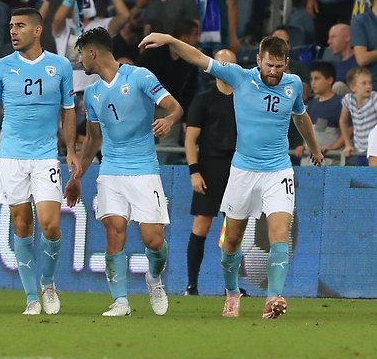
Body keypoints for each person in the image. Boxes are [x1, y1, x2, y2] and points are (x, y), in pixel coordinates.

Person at [138, 32, 323, 319]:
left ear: (286, 63)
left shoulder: (294, 84)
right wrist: (170, 40)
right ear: (258, 60)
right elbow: (199, 57)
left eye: (279, 66)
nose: (273, 71)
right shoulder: (239, 76)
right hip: (243, 171)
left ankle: (273, 298)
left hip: (278, 170)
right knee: (232, 239)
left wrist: (314, 147)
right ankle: (232, 293)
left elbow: (301, 117)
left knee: (279, 234)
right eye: (269, 65)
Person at [0, 7, 77, 315]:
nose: (13, 31)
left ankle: (48, 283)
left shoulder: (60, 66)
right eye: (10, 26)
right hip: (11, 156)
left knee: (50, 225)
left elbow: (69, 110)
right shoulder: (1, 67)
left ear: (37, 30)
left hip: (46, 156)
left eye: (20, 25)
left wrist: (71, 150)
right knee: (21, 224)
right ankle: (32, 297)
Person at [65, 27, 182, 316]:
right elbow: (93, 139)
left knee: (153, 240)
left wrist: (169, 120)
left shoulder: (139, 77)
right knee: (114, 233)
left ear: (93, 52)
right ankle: (120, 301)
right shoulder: (91, 94)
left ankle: (154, 278)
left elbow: (175, 108)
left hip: (143, 169)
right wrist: (77, 176)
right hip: (111, 170)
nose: (80, 61)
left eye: (81, 54)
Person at [182, 48, 238, 296]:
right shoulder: (203, 100)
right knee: (202, 224)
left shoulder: (244, 99)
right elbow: (190, 139)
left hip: (238, 169)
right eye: (221, 64)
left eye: (230, 65)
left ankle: (231, 287)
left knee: (234, 229)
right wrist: (194, 171)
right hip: (210, 167)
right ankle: (192, 284)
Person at [338, 66, 377, 160]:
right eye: (364, 83)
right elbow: (343, 121)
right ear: (353, 87)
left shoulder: (374, 98)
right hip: (359, 150)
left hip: (374, 152)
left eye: (370, 83)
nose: (368, 86)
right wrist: (348, 144)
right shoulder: (348, 99)